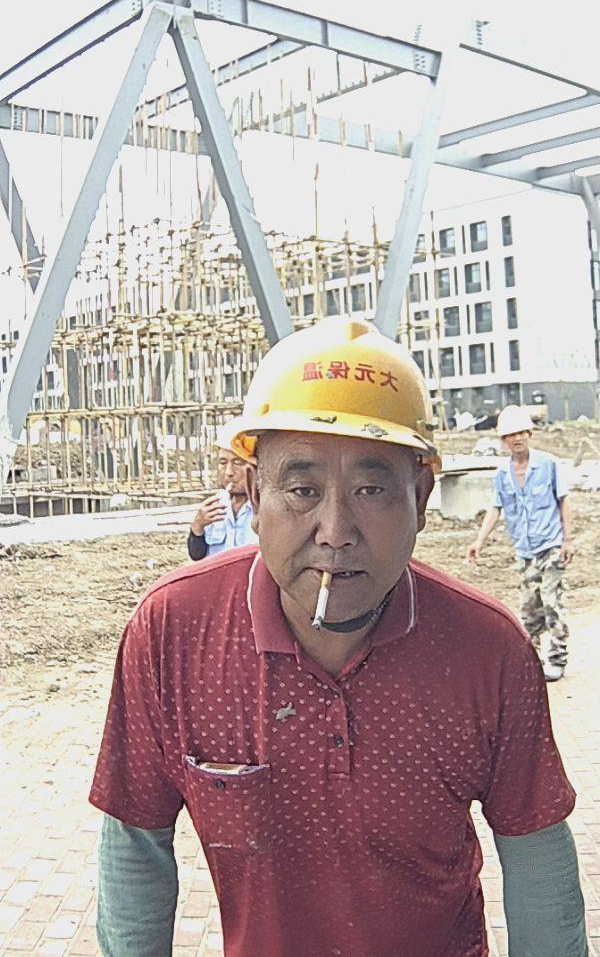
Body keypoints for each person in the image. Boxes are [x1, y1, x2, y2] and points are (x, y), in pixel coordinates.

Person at [90, 318, 587, 957]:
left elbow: (535, 853)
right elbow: (135, 843)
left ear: (421, 497)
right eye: (302, 490)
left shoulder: (487, 649)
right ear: (253, 493)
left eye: (371, 490)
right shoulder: (173, 632)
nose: (334, 530)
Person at [467, 405, 574, 683]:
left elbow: (563, 501)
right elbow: (496, 508)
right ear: (504, 440)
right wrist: (479, 541)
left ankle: (557, 658)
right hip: (525, 551)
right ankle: (532, 660)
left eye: (521, 433)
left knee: (551, 601)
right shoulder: (503, 473)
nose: (517, 439)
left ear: (530, 434)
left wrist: (568, 540)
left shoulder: (548, 465)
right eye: (511, 435)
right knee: (529, 608)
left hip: (550, 544)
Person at [187, 421, 257, 560]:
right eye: (223, 463)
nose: (229, 472)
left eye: (238, 462)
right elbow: (197, 556)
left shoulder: (264, 508)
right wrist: (197, 527)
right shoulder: (214, 506)